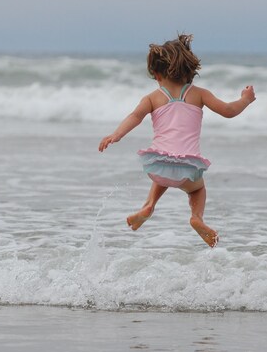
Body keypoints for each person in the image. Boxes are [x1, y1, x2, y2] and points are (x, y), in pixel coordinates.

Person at [98, 34, 255, 247]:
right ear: (190, 70)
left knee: (164, 167)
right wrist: (245, 100)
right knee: (197, 189)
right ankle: (197, 218)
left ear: (156, 74)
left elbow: (135, 116)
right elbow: (228, 111)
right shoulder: (199, 94)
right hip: (187, 168)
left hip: (157, 165)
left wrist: (116, 135)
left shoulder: (152, 98)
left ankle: (149, 206)